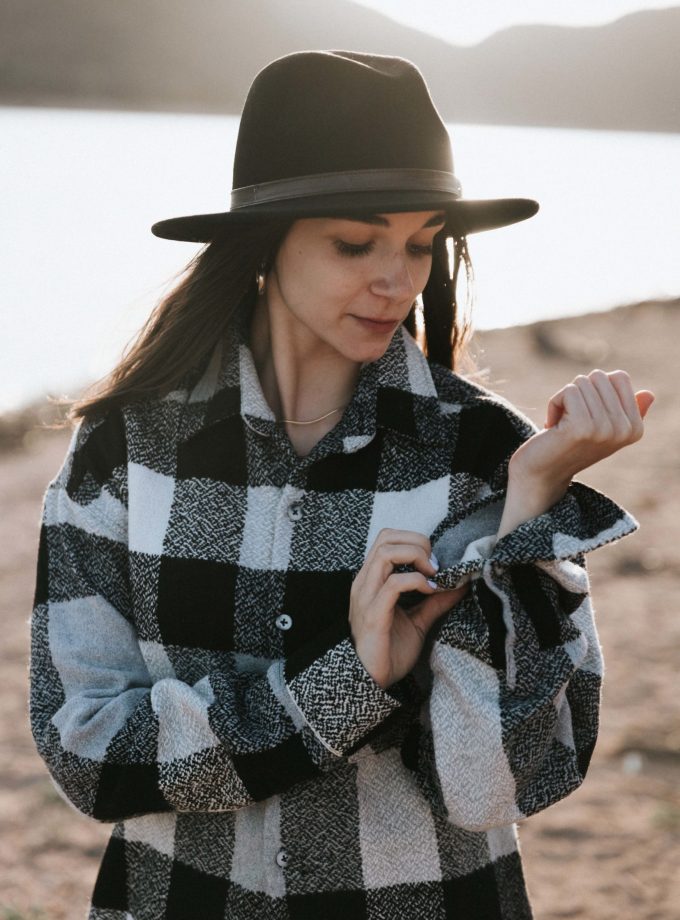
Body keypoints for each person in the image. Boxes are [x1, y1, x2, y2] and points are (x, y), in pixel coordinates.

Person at [29, 51, 654, 920]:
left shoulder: (487, 455)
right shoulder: (124, 451)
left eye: (422, 243)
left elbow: (501, 785)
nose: (398, 280)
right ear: (263, 243)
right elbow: (88, 754)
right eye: (355, 242)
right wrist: (344, 687)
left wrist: (527, 510)